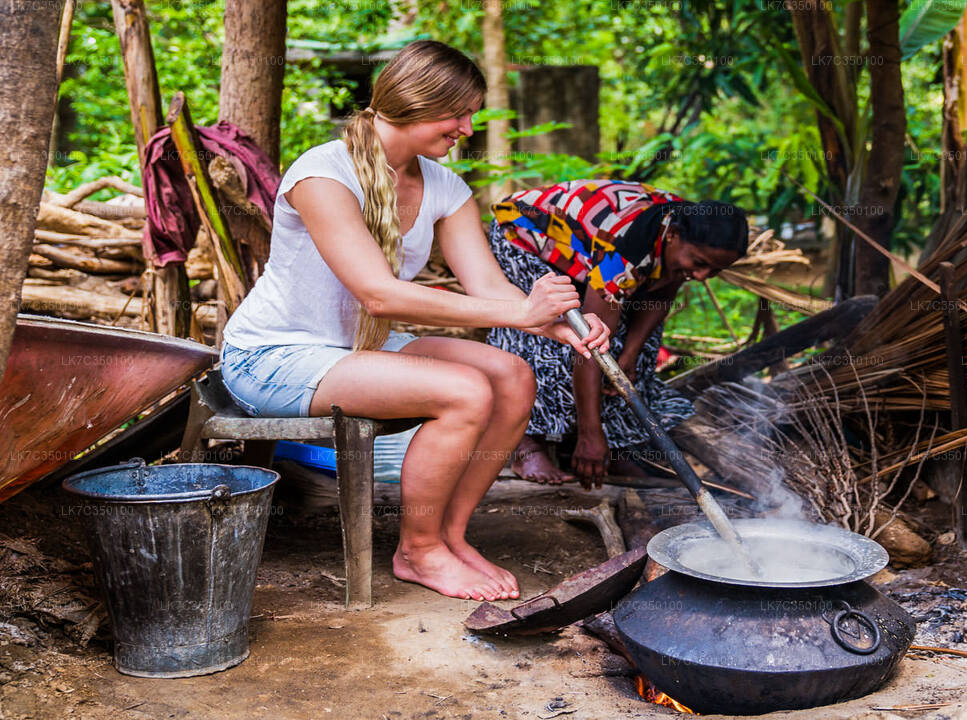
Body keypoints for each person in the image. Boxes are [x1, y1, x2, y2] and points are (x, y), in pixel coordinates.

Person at [219, 41, 609, 603]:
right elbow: (379, 295)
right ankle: (417, 552)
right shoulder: (324, 173)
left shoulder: (445, 188)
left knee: (513, 376)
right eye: (459, 113)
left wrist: (556, 324)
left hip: (361, 349)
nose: (468, 128)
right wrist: (521, 313)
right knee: (464, 391)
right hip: (276, 356)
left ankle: (450, 537)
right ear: (413, 102)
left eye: (473, 114)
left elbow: (489, 290)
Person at [486, 181, 748, 487]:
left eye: (714, 271)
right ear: (673, 236)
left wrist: (630, 354)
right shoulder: (627, 247)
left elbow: (663, 292)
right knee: (556, 331)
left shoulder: (688, 229)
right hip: (525, 234)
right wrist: (590, 434)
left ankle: (615, 442)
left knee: (636, 347)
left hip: (594, 253)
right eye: (699, 264)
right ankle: (528, 442)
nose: (702, 277)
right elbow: (591, 344)